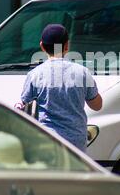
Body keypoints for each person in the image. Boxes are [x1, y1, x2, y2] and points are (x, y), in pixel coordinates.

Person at [20, 24, 102, 152]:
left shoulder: (35, 74)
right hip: (77, 142)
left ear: (42, 46)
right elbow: (97, 105)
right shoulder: (82, 72)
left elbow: (23, 104)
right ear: (67, 46)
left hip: (48, 140)